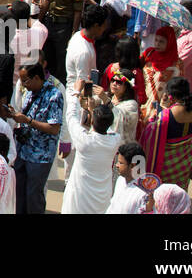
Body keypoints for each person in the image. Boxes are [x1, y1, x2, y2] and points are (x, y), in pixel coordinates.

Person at [8, 61, 63, 214]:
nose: (23, 84)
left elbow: (54, 128)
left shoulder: (54, 95)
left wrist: (28, 121)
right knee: (19, 194)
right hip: (23, 150)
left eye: (25, 80)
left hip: (40, 155)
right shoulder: (29, 92)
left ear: (37, 78)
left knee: (33, 196)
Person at [61, 85, 120, 214]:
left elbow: (70, 116)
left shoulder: (84, 140)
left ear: (93, 121)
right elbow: (109, 127)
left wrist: (76, 91)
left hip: (79, 197)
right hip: (102, 198)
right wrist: (94, 112)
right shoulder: (115, 140)